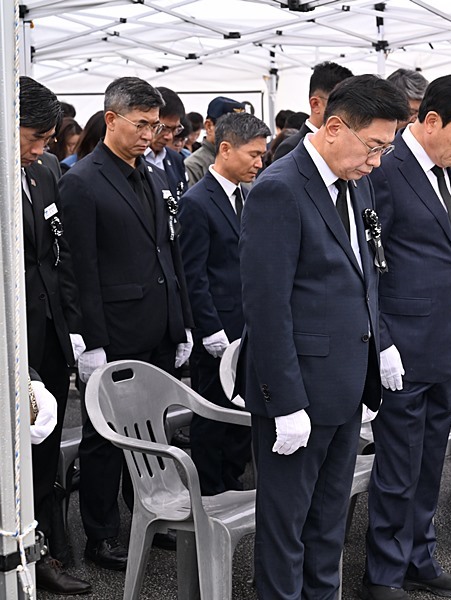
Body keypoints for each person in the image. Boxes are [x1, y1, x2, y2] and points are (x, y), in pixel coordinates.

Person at [239, 74, 408, 599]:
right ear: (334, 128)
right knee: (286, 530)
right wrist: (286, 403)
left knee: (328, 524)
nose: (377, 161)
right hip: (300, 393)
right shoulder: (280, 189)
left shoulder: (354, 183)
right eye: (373, 146)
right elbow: (266, 308)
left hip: (346, 384)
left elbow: (366, 273)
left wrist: (380, 346)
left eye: (385, 149)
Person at [59, 76, 194, 569]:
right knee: (104, 439)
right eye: (141, 124)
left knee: (152, 431)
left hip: (157, 324)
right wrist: (90, 341)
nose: (150, 134)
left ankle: (148, 514)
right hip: (114, 329)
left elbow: (168, 254)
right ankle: (101, 535)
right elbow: (78, 269)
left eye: (155, 125)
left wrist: (181, 323)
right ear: (111, 119)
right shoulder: (82, 181)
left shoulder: (151, 174)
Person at [362, 74, 451, 600]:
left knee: (431, 461)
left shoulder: (447, 170)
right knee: (398, 467)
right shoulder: (386, 170)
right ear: (431, 120)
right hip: (402, 347)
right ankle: (384, 574)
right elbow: (370, 265)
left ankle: (419, 557)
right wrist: (383, 340)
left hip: (442, 345)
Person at [19, 76, 92, 596]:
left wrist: (72, 326)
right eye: (35, 137)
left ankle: (47, 545)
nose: (42, 148)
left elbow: (57, 256)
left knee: (45, 443)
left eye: (47, 138)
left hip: (48, 328)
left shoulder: (45, 171)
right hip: (12, 337)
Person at [179, 112, 269, 495]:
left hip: (246, 324)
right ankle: (209, 489)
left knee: (240, 410)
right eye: (253, 154)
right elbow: (193, 274)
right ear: (226, 149)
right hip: (217, 330)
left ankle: (231, 479)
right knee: (212, 414)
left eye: (262, 155)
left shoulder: (247, 195)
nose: (259, 163)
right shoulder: (197, 202)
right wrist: (209, 328)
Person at [271, 61, 353, 162]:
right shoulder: (291, 147)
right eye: (341, 104)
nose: (348, 112)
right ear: (316, 104)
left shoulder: (347, 144)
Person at [184, 96, 245, 187]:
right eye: (230, 127)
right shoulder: (194, 165)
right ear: (209, 126)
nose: (237, 133)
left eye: (242, 128)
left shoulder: (245, 163)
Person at [146, 87, 189, 201]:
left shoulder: (176, 160)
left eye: (175, 129)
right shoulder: (132, 158)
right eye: (163, 128)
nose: (169, 136)